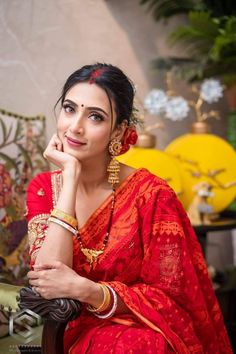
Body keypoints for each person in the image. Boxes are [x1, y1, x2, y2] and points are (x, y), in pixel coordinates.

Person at [26, 63, 232, 354]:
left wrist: (91, 292)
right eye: (70, 109)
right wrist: (70, 177)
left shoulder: (151, 195)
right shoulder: (44, 187)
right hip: (69, 326)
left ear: (119, 130)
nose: (75, 127)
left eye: (95, 116)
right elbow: (47, 277)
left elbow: (172, 299)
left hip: (143, 328)